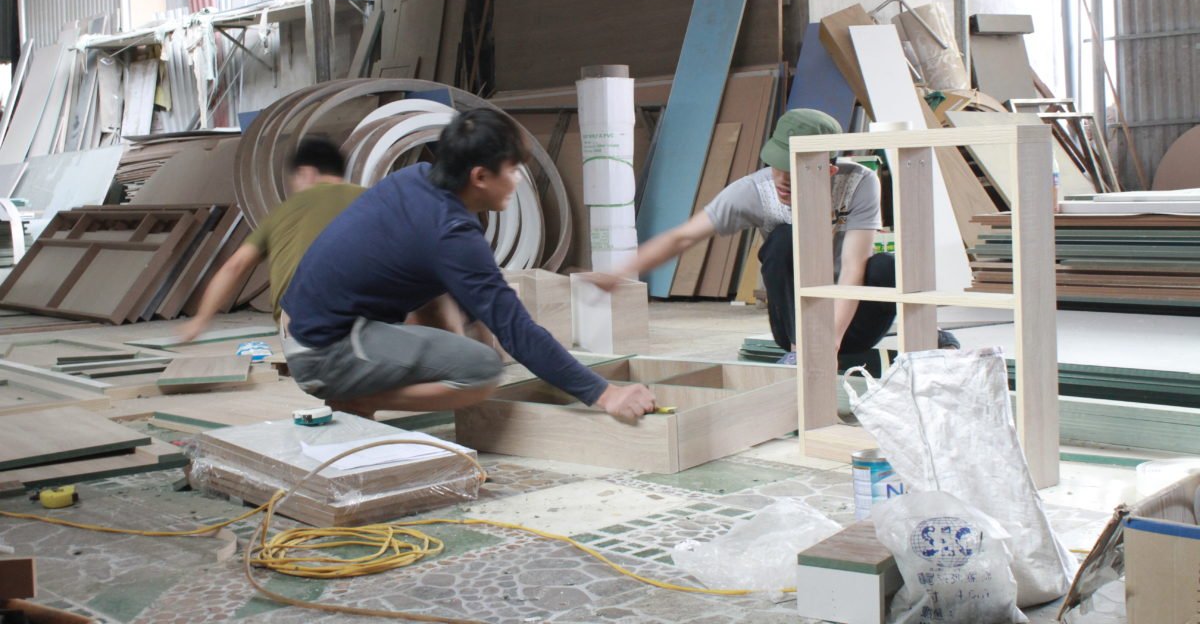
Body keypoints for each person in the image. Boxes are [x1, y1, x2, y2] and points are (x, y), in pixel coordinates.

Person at [279, 108, 656, 422]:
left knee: (460, 328)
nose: (517, 180)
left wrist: (472, 334)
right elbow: (518, 332)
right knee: (481, 371)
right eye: (512, 170)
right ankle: (357, 401)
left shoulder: (416, 180)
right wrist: (605, 393)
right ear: (480, 176)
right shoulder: (451, 234)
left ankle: (361, 386)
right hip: (323, 351)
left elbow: (443, 288)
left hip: (308, 327)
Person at [589, 109, 957, 375]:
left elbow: (853, 270)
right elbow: (683, 236)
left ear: (829, 169)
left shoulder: (859, 182)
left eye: (793, 170)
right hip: (795, 320)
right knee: (783, 239)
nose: (781, 179)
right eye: (778, 165)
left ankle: (927, 339)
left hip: (851, 315)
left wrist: (830, 342)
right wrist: (619, 273)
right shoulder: (755, 191)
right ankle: (798, 353)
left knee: (886, 266)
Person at [177, 137, 365, 343]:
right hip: (358, 324)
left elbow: (235, 266)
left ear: (307, 173)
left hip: (296, 333)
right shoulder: (367, 198)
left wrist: (200, 319)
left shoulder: (281, 212)